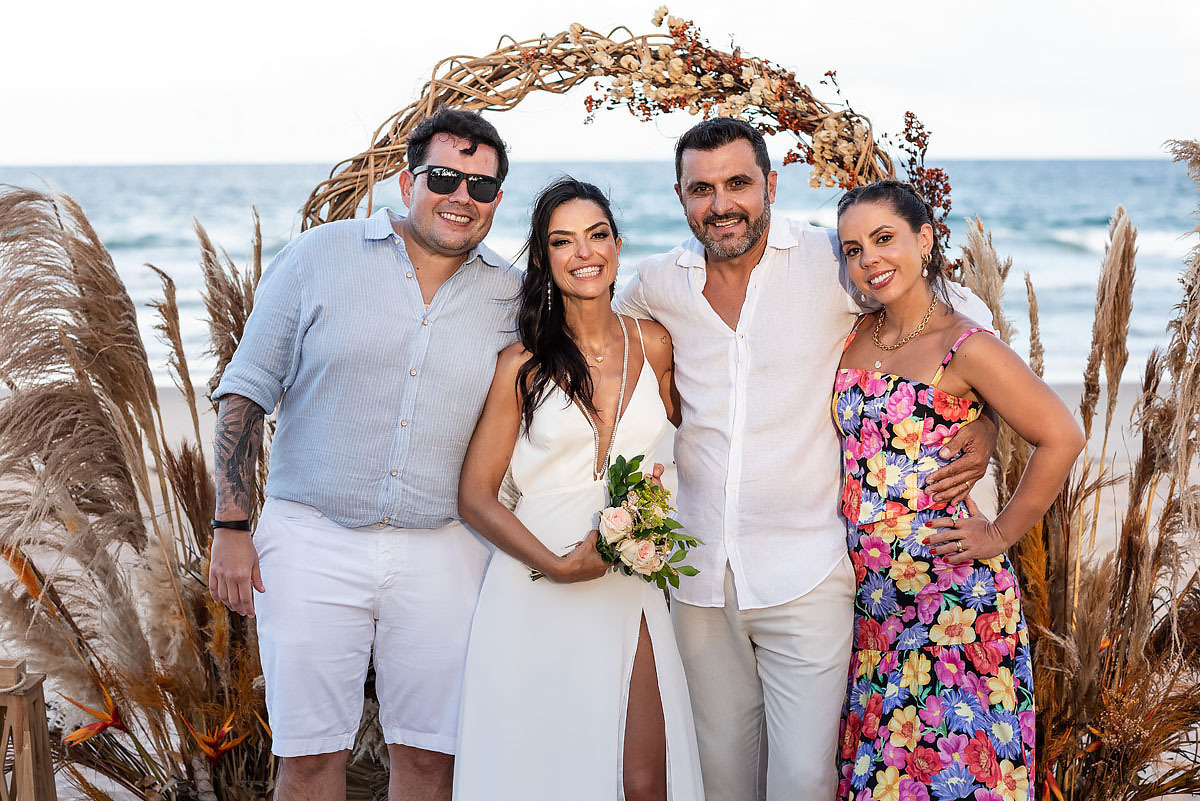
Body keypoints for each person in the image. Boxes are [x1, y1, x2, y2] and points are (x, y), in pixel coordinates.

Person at [613, 118, 997, 800]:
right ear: (680, 195)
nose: (721, 204)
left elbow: (956, 316)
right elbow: (598, 342)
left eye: (738, 183)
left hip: (808, 573)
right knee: (721, 777)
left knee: (802, 779)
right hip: (699, 576)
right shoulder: (658, 281)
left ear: (771, 185)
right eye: (701, 189)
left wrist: (986, 417)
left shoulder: (831, 261)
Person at [207, 108, 521, 801]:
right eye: (444, 178)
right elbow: (245, 391)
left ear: (497, 200)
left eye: (481, 186)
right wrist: (230, 524)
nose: (461, 197)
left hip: (447, 549)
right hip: (311, 540)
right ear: (408, 182)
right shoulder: (318, 256)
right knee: (310, 757)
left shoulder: (512, 294)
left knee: (432, 758)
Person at [832, 180, 1082, 800]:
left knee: (950, 780)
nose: (869, 260)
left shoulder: (966, 345)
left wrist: (998, 533)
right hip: (872, 605)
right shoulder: (855, 334)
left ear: (924, 240)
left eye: (884, 239)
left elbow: (1062, 435)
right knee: (884, 778)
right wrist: (987, 424)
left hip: (952, 602)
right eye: (853, 249)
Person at [454, 177, 704, 801]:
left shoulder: (656, 344)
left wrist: (656, 515)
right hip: (534, 583)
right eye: (563, 241)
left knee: (644, 781)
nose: (584, 252)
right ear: (544, 258)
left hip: (627, 581)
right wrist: (557, 565)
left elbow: (689, 447)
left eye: (597, 235)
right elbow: (475, 496)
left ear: (617, 246)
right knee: (541, 775)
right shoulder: (521, 365)